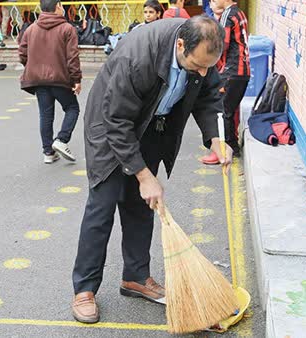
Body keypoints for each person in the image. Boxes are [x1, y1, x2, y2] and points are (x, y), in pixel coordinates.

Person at [71, 16, 233, 324]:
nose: (201, 73)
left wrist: (215, 139)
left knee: (141, 206)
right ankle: (84, 289)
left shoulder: (202, 58)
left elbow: (208, 97)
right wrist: (144, 176)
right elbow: (116, 121)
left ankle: (135, 277)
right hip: (110, 127)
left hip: (149, 127)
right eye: (196, 66)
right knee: (102, 206)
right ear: (181, 45)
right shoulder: (138, 55)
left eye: (207, 67)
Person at [18, 0, 82, 164]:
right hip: (60, 79)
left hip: (38, 80)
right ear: (59, 6)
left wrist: (33, 66)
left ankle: (48, 152)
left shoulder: (31, 29)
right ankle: (61, 139)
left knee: (45, 115)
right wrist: (76, 79)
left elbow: (22, 54)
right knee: (72, 108)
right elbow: (72, 57)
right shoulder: (67, 29)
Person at [202, 0, 249, 164]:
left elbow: (222, 45)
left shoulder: (228, 15)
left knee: (222, 112)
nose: (212, 1)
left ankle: (225, 151)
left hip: (232, 71)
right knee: (230, 111)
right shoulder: (239, 12)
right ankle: (231, 148)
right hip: (241, 71)